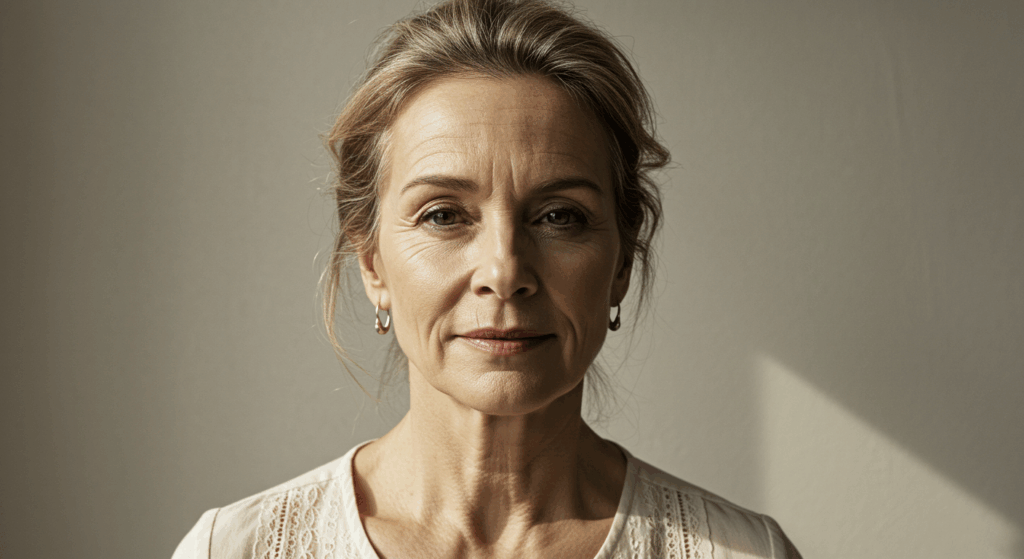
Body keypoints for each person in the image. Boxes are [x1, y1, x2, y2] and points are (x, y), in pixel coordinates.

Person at [172, 0, 802, 557]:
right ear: (372, 264)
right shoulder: (232, 550)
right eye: (443, 215)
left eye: (559, 217)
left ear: (621, 265)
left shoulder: (745, 553)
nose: (504, 272)